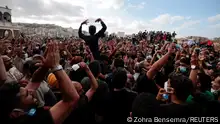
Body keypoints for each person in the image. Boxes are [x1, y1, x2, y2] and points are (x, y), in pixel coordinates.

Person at [0, 42, 80, 124]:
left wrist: (46, 66)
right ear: (15, 113)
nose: (31, 91)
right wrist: (56, 66)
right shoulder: (36, 121)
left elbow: (35, 81)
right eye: (27, 94)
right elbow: (72, 99)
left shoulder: (20, 108)